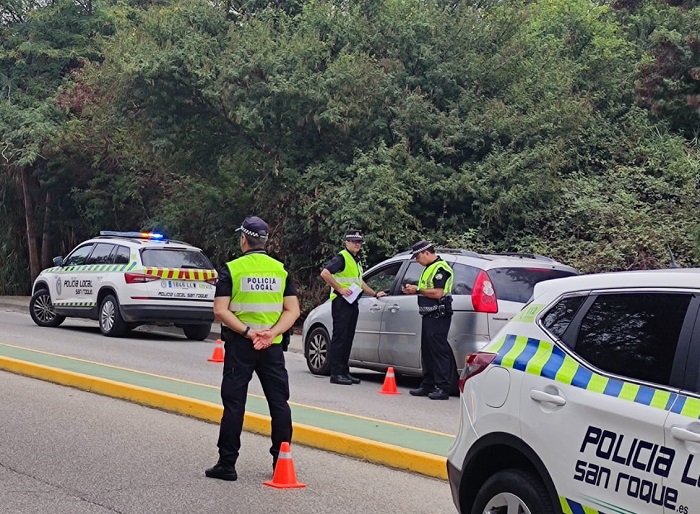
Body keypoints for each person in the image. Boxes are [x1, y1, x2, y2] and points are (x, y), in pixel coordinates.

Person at [205, 216, 300, 481]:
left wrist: (248, 332)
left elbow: (220, 310)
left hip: (241, 345)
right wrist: (272, 333)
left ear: (244, 239)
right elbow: (293, 310)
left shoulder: (232, 269)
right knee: (279, 403)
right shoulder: (280, 270)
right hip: (272, 347)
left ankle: (227, 464)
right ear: (265, 241)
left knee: (234, 404)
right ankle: (281, 462)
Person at [320, 229, 387, 385]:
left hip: (352, 302)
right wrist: (340, 289)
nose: (357, 244)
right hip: (341, 302)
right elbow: (325, 273)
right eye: (354, 241)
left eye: (359, 242)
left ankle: (344, 371)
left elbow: (359, 282)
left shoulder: (355, 260)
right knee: (340, 338)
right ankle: (336, 373)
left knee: (348, 338)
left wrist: (375, 293)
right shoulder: (342, 258)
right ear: (347, 242)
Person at [401, 241, 454, 400]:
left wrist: (417, 289)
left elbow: (438, 293)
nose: (416, 260)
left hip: (439, 315)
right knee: (427, 352)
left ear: (426, 252)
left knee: (438, 352)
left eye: (417, 257)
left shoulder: (440, 269)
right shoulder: (428, 268)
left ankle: (442, 387)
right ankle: (428, 384)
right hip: (429, 315)